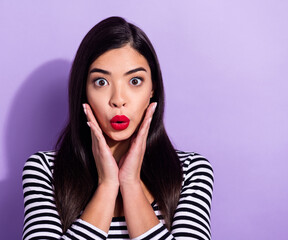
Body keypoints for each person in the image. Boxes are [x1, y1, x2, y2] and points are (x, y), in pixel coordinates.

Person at [22, 16, 214, 240]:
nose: (118, 100)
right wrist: (107, 184)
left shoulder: (190, 171)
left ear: (153, 89)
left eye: (135, 81)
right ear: (83, 91)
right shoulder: (46, 170)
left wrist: (130, 183)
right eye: (101, 82)